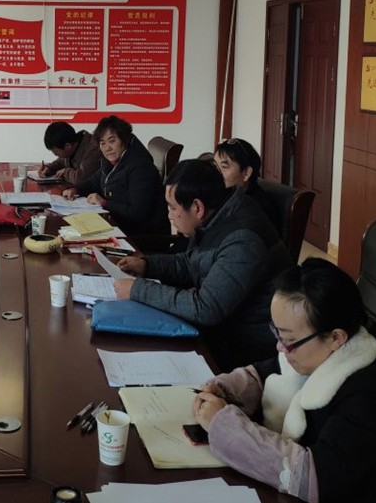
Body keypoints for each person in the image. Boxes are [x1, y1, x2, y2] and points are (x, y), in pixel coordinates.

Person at [192, 258, 376, 503]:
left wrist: (224, 426)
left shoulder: (372, 392)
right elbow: (271, 371)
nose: (280, 347)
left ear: (336, 338)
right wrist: (226, 389)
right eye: (277, 333)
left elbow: (317, 479)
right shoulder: (321, 343)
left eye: (289, 340)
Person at [114, 158, 291, 370]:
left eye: (172, 208)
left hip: (242, 348)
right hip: (223, 328)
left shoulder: (242, 241)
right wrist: (147, 265)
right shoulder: (219, 214)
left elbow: (206, 308)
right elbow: (192, 263)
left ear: (197, 207)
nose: (169, 216)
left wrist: (138, 290)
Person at [63, 115, 168, 236]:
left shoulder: (141, 167)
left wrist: (104, 203)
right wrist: (76, 189)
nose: (107, 148)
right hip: (119, 225)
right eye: (102, 143)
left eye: (112, 141)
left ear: (124, 139)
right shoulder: (112, 161)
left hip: (141, 236)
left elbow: (137, 213)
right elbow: (94, 181)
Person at [213, 137, 283, 236]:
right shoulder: (225, 196)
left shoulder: (256, 209)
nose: (215, 173)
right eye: (215, 166)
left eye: (224, 167)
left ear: (246, 173)